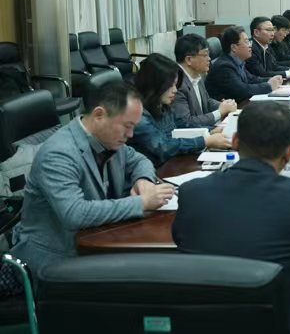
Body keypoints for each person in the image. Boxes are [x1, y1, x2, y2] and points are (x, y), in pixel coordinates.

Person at [173, 101, 290, 334]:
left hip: (207, 325)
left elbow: (179, 237)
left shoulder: (192, 193)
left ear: (235, 141)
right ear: (289, 152)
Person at [11, 82, 175, 279]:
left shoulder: (108, 139)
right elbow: (75, 213)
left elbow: (139, 160)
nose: (130, 135)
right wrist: (141, 203)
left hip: (99, 239)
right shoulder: (58, 154)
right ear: (99, 115)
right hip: (57, 258)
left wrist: (144, 180)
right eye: (127, 126)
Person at [130, 54, 230, 166]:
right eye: (170, 85)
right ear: (154, 85)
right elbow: (164, 147)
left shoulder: (161, 105)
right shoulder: (138, 115)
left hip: (171, 164)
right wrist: (205, 141)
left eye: (175, 85)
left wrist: (211, 131)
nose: (175, 90)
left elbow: (181, 126)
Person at [173, 33, 237, 128]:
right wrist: (220, 112)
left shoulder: (197, 74)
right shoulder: (176, 83)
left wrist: (224, 105)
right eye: (205, 55)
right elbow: (186, 122)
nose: (209, 59)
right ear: (189, 60)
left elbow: (206, 101)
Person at [205, 26, 283, 103]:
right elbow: (242, 90)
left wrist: (272, 80)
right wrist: (269, 86)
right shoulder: (224, 67)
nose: (250, 45)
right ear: (234, 47)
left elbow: (251, 79)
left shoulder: (237, 61)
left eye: (249, 41)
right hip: (229, 109)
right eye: (246, 42)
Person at [247, 17, 290, 81]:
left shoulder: (266, 46)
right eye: (268, 30)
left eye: (273, 30)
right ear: (256, 32)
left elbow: (274, 66)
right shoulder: (250, 48)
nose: (272, 34)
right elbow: (261, 73)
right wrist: (288, 73)